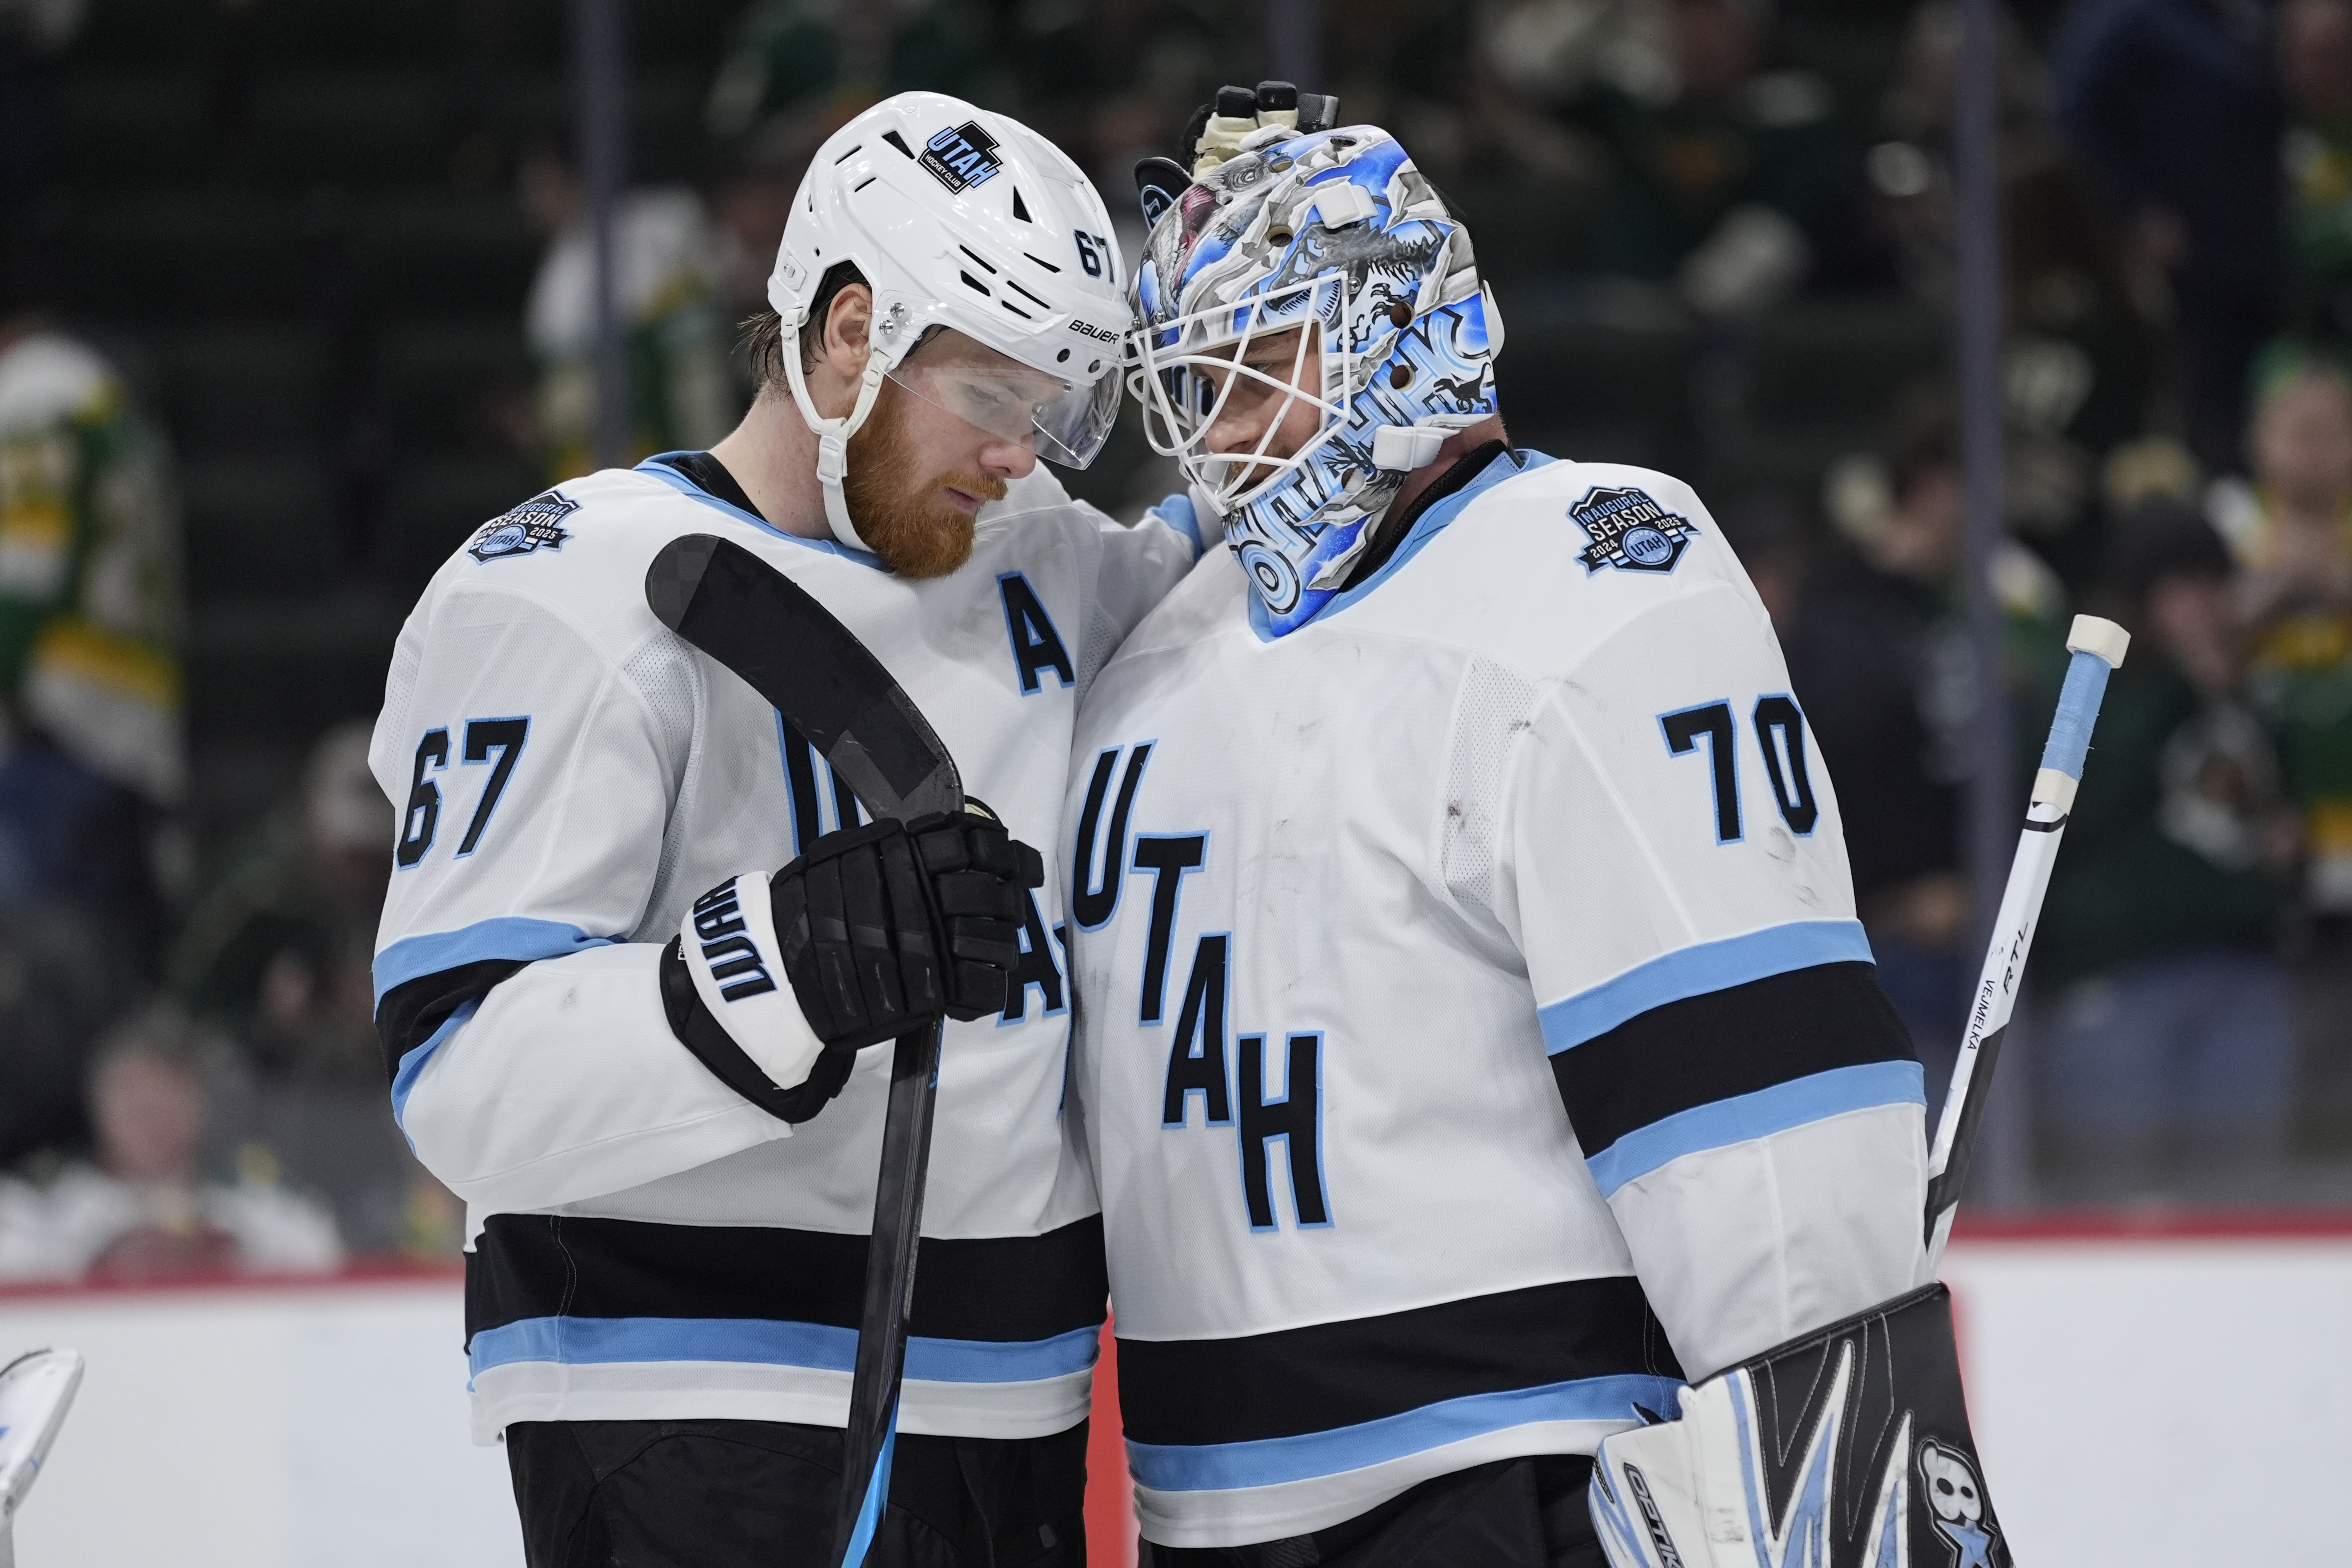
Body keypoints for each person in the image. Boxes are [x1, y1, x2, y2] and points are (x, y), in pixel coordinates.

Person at [1070, 117, 1981, 1565]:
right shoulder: (1146, 653)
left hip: (1505, 1478)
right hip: (1202, 1503)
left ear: (1393, 320)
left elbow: (1750, 1095)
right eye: (1189, 374)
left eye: (1258, 354)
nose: (1216, 421)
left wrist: (1845, 1469)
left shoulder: (1590, 569)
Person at [373, 92, 1196, 1567]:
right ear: (844, 329)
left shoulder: (1048, 564)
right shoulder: (564, 590)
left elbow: (1251, 589)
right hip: (692, 1408)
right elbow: (459, 1068)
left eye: (1053, 412)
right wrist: (776, 968)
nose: (1022, 458)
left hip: (1023, 1413)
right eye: (993, 400)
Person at [2033, 498, 2297, 1195]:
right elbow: (2079, 805)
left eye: (2213, 585)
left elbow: (2260, 804)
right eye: (2182, 587)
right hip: (2120, 978)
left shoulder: (2242, 689)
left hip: (2239, 971)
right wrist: (2183, 686)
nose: (2204, 606)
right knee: (2121, 1200)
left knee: (2241, 1202)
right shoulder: (2094, 684)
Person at [2050, 0, 2282, 470]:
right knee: (2205, 403)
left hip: (2253, 244)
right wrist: (2134, 206)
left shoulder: (2241, 15)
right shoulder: (2121, 18)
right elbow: (2071, 111)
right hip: (2183, 257)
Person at [0, 1007, 342, 1284]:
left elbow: (324, 1260)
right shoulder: (40, 1202)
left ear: (202, 1103)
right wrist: (99, 1261)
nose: (150, 1112)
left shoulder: (261, 1201)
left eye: (169, 1092)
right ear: (98, 1104)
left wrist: (233, 1256)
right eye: (132, 1094)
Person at [518, 146, 741, 480]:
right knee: (570, 402)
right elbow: (560, 364)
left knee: (694, 353)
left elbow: (726, 272)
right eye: (533, 192)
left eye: (548, 185)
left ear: (575, 179)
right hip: (623, 398)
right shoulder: (558, 271)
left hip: (690, 365)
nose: (541, 201)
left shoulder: (666, 216)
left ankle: (719, 481)